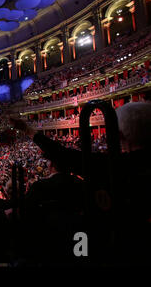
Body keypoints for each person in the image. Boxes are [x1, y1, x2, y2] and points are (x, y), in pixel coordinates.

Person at [10, 102, 151, 265]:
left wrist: (27, 130)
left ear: (119, 135)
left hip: (123, 248)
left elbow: (64, 155)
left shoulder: (119, 165)